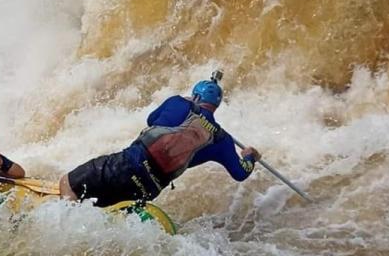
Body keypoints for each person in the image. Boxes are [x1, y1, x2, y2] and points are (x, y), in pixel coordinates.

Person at [59, 73, 261, 207]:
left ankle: (65, 219)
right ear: (216, 107)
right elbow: (240, 173)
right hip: (149, 189)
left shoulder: (178, 102)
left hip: (125, 167)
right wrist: (250, 156)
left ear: (195, 96)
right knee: (104, 207)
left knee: (67, 182)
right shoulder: (222, 140)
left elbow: (151, 120)